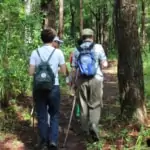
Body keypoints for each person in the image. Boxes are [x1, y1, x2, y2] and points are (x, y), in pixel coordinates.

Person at [29, 28, 67, 150]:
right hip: (54, 87)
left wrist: (40, 73)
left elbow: (31, 72)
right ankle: (53, 142)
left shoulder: (35, 52)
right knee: (54, 115)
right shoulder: (58, 52)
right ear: (53, 39)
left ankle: (43, 142)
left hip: (39, 88)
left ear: (42, 38)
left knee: (41, 115)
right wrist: (54, 70)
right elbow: (64, 71)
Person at [71, 28, 108, 141]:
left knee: (83, 106)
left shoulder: (76, 49)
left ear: (82, 37)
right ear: (92, 36)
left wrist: (73, 83)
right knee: (95, 105)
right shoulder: (98, 47)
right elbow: (105, 64)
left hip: (81, 80)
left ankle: (85, 131)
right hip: (96, 78)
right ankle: (93, 126)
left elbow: (74, 68)